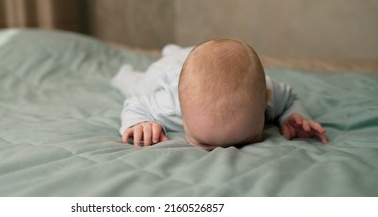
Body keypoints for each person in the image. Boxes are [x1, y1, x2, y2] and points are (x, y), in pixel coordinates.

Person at [111, 38, 328, 150]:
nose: (223, 151)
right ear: (181, 105)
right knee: (135, 85)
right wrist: (140, 121)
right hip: (165, 75)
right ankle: (125, 72)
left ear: (265, 98)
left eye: (245, 142)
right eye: (204, 144)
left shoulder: (264, 92)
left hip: (197, 61)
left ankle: (175, 51)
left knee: (191, 57)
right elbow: (135, 103)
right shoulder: (168, 103)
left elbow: (290, 98)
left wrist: (292, 116)